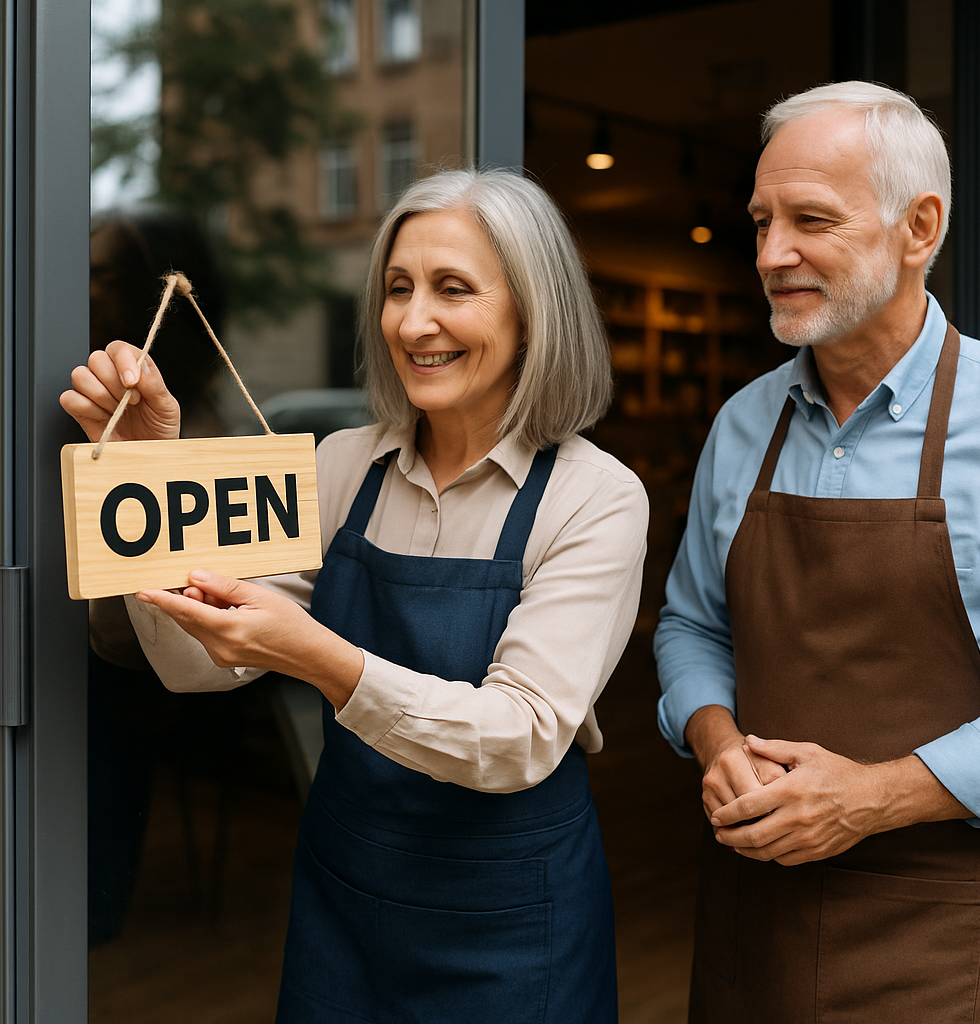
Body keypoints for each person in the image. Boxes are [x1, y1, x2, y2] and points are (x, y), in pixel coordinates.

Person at [62, 168, 648, 1024]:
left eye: (454, 289)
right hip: (344, 896)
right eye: (398, 288)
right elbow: (199, 670)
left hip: (512, 924)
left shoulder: (597, 498)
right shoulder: (340, 465)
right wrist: (153, 467)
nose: (414, 323)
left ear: (533, 313)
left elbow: (519, 736)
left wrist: (319, 658)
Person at [654, 81, 980, 1023]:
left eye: (811, 220)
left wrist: (875, 796)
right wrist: (715, 741)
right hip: (754, 930)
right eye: (762, 221)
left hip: (946, 947)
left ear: (920, 227)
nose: (773, 255)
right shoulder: (743, 424)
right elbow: (692, 624)